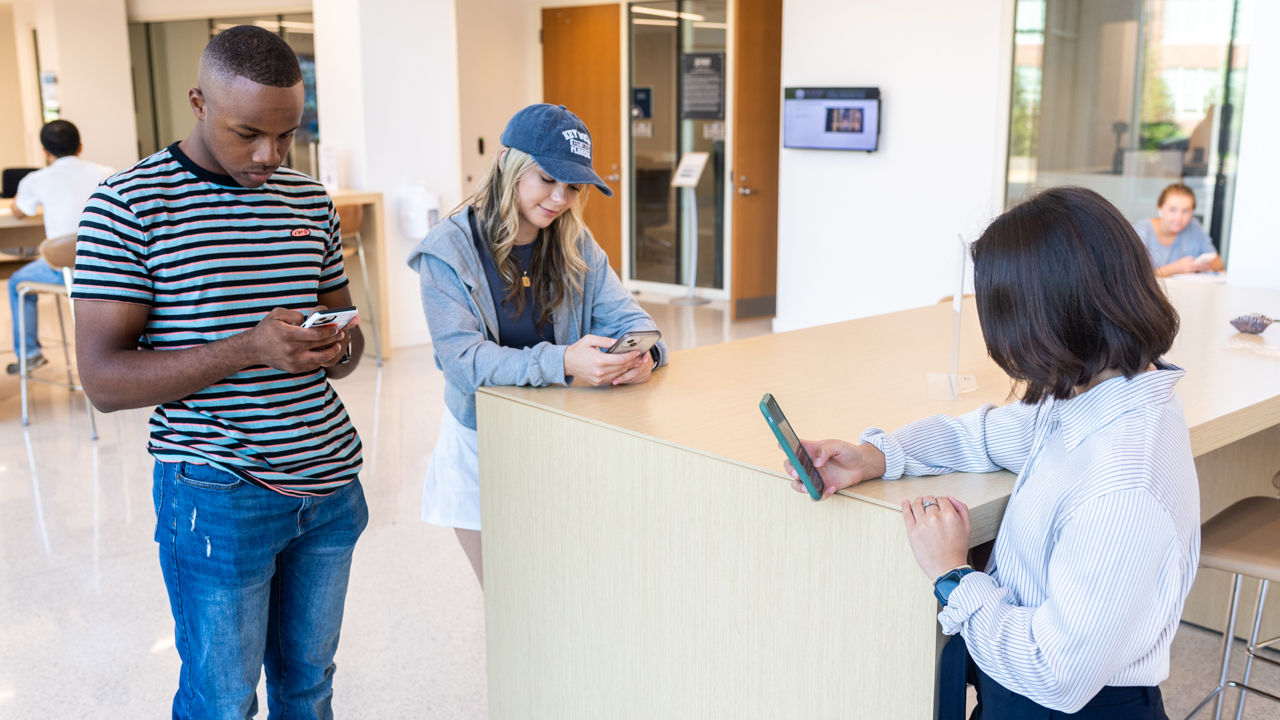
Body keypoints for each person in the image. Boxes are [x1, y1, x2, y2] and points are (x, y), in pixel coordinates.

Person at [783, 186, 1198, 718]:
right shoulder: (1099, 393)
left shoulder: (1122, 484)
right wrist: (878, 456)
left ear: (1045, 320)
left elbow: (1055, 673)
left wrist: (953, 574)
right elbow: (982, 436)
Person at [72, 26, 366, 720]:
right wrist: (247, 350)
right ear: (198, 102)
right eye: (247, 134)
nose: (269, 155)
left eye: (288, 135)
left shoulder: (308, 199)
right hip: (216, 493)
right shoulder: (130, 204)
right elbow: (104, 383)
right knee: (223, 700)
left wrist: (335, 349)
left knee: (309, 686)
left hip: (329, 489)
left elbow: (347, 334)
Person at [407, 104, 667, 587]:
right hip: (481, 445)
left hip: (557, 441)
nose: (561, 198)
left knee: (560, 595)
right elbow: (463, 363)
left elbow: (633, 320)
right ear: (507, 160)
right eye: (548, 179)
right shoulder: (447, 252)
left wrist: (645, 356)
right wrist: (563, 360)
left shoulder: (575, 243)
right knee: (509, 601)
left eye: (573, 186)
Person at [7, 120, 113, 374]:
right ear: (80, 146)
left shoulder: (36, 179)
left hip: (65, 272)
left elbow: (19, 212)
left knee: (16, 282)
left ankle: (30, 354)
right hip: (108, 268)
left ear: (45, 152)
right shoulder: (106, 172)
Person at [1132, 183, 1225, 277]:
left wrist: (1199, 266)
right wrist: (1174, 269)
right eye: (1172, 210)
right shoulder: (1140, 231)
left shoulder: (1194, 226)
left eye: (1186, 211)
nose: (1179, 218)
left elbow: (1218, 262)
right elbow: (1132, 276)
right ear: (1160, 209)